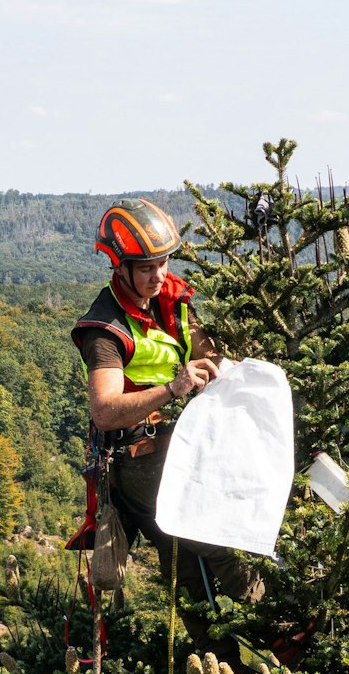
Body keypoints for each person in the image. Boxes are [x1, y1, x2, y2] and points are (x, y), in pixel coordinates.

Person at [71, 198, 263, 614]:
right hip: (138, 460)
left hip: (186, 443)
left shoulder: (170, 301)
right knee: (209, 538)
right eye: (146, 268)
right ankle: (273, 623)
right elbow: (104, 410)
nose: (159, 275)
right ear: (119, 267)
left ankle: (226, 649)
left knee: (187, 557)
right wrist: (172, 388)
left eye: (163, 263)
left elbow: (207, 351)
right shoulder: (105, 330)